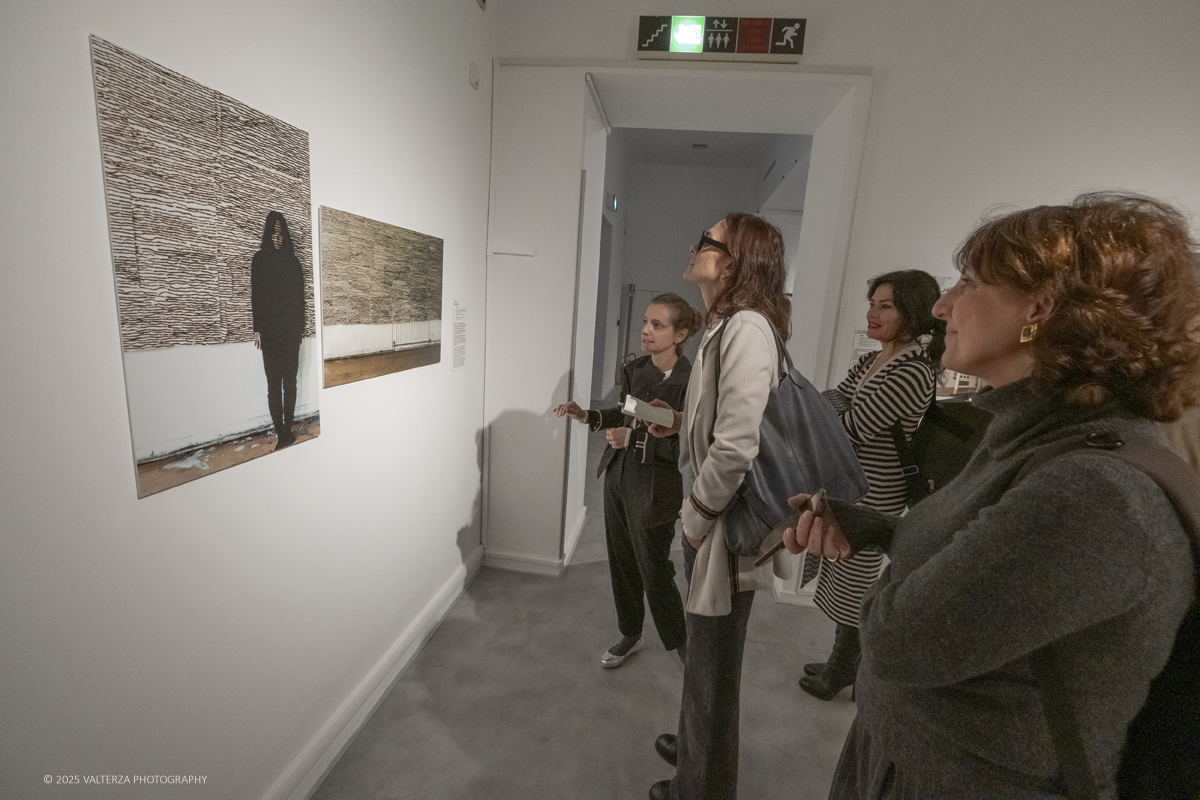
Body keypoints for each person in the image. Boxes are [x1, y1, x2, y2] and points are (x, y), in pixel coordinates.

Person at [783, 192, 1199, 798]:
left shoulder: (1093, 493)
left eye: (970, 282)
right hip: (910, 755)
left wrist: (888, 591)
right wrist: (877, 528)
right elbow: (987, 564)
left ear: (1043, 306)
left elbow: (901, 642)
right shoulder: (1028, 434)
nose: (945, 304)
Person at [645, 214, 796, 800]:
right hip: (712, 514)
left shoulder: (748, 329)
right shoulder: (726, 325)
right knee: (705, 657)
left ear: (731, 262)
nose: (693, 246)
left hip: (723, 522)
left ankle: (700, 787)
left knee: (712, 666)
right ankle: (695, 746)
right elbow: (716, 426)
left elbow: (736, 444)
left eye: (705, 241)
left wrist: (696, 518)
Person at [799, 271, 942, 701]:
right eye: (872, 303)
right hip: (851, 484)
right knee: (840, 574)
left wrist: (815, 418)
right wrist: (818, 411)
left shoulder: (913, 370)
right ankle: (841, 661)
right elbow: (835, 398)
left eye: (886, 306)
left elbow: (855, 427)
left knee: (855, 584)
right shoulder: (874, 359)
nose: (872, 313)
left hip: (876, 492)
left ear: (913, 314)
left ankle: (845, 670)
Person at [554, 293, 702, 668]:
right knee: (621, 561)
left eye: (658, 325)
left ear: (680, 334)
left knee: (654, 568)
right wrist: (586, 414)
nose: (646, 331)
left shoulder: (690, 382)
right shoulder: (637, 370)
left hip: (656, 487)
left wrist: (635, 439)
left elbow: (689, 444)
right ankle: (630, 632)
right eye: (645, 323)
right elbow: (625, 414)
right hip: (618, 478)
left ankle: (681, 645)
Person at [251, 211, 306, 450]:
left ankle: (286, 431)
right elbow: (256, 297)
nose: (277, 238)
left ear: (285, 235)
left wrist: (301, 329)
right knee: (273, 384)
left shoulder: (294, 263)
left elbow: (299, 299)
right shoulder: (259, 260)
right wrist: (257, 328)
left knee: (290, 383)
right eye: (273, 233)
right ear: (267, 233)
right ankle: (282, 433)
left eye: (280, 233)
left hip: (291, 331)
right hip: (270, 333)